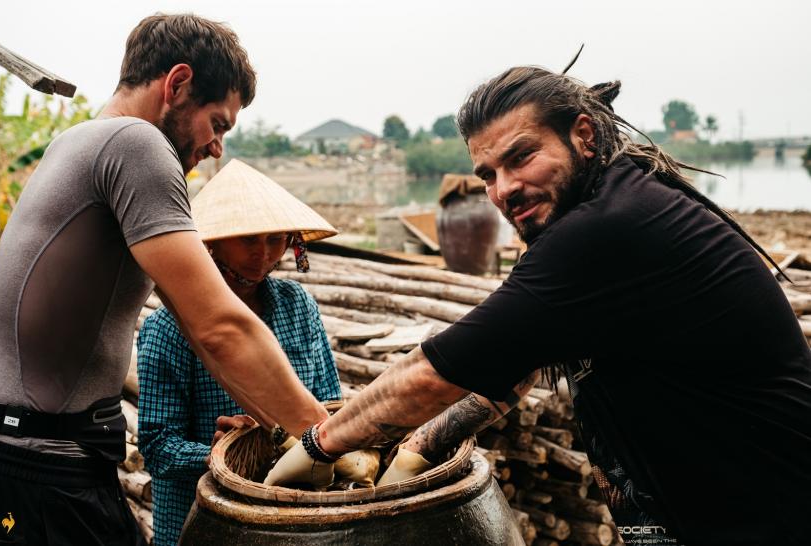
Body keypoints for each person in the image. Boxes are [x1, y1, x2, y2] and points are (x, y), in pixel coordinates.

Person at [266, 66, 811, 545]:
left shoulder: (607, 230)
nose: (504, 189)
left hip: (761, 515)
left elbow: (434, 373)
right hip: (688, 513)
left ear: (584, 136)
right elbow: (518, 365)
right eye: (488, 176)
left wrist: (318, 446)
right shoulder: (613, 204)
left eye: (521, 157)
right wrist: (420, 447)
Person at [0, 14, 330, 545]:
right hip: (47, 467)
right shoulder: (136, 145)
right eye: (218, 123)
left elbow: (201, 330)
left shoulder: (81, 140)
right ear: (177, 85)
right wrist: (331, 441)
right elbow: (222, 326)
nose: (217, 146)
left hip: (33, 456)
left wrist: (281, 430)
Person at [138, 159, 341, 546]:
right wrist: (215, 452)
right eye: (248, 240)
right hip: (201, 520)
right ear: (211, 243)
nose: (263, 254)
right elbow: (157, 446)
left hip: (289, 513)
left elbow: (329, 402)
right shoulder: (169, 328)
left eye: (275, 239)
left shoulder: (298, 306)